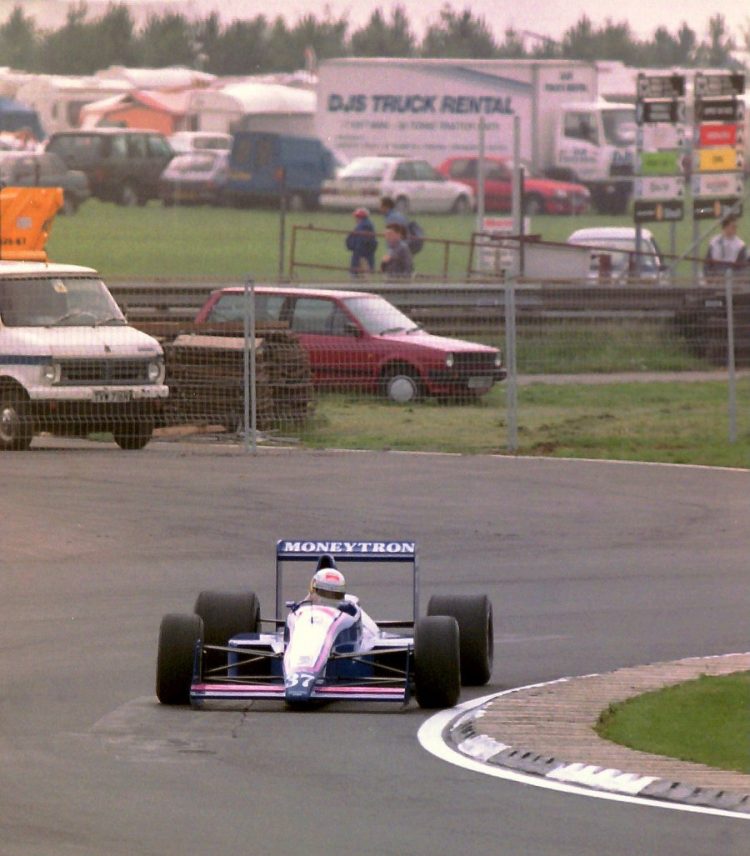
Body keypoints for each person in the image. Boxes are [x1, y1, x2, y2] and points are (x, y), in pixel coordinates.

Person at [704, 212, 747, 279]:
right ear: (726, 227)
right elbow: (707, 265)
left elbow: (742, 268)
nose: (735, 229)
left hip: (732, 279)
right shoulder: (714, 242)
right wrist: (709, 278)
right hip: (715, 278)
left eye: (736, 227)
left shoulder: (740, 245)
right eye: (733, 227)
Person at [345, 207, 377, 276]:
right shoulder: (365, 225)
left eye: (356, 217)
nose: (355, 219)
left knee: (361, 276)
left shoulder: (364, 226)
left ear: (360, 217)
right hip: (362, 254)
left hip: (361, 256)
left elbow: (360, 242)